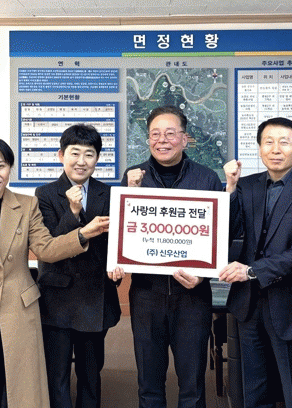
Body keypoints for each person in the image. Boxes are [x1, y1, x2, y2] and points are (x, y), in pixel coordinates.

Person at [0, 137, 109, 408]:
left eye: (1, 166)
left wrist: (82, 234)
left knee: (18, 388)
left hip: (17, 309)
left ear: (10, 169)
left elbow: (46, 249)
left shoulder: (27, 205)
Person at [109, 105, 223, 408]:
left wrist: (203, 276)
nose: (162, 140)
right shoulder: (133, 177)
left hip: (193, 297)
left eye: (170, 134)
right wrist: (131, 191)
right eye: (155, 134)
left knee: (193, 385)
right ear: (148, 140)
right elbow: (122, 232)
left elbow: (218, 236)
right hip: (147, 294)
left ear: (184, 139)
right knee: (148, 384)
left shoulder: (207, 178)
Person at [219, 117, 292, 408]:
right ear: (259, 149)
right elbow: (225, 233)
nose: (275, 149)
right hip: (248, 304)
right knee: (254, 391)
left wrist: (251, 271)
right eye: (268, 142)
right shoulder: (245, 186)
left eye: (284, 142)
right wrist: (230, 188)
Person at [35, 124, 120, 408]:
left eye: (89, 154)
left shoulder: (108, 194)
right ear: (61, 155)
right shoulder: (45, 194)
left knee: (91, 374)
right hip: (57, 299)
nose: (81, 161)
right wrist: (72, 213)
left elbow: (115, 243)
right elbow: (49, 245)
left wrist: (118, 266)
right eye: (74, 153)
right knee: (56, 375)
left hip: (96, 296)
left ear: (97, 159)